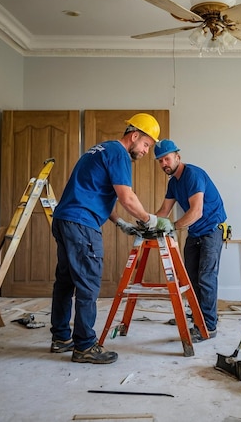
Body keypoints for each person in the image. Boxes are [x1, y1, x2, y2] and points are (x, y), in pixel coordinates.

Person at [50, 113, 173, 364]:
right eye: (146, 145)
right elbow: (126, 197)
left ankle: (61, 338)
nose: (146, 151)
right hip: (82, 225)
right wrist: (148, 219)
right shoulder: (118, 153)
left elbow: (94, 193)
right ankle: (84, 345)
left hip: (65, 220)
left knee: (65, 281)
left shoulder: (98, 150)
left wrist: (119, 222)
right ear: (135, 135)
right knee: (87, 284)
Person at [153, 139, 227, 342]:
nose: (164, 164)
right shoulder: (173, 183)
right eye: (160, 161)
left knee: (206, 278)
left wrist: (172, 226)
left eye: (166, 159)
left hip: (212, 230)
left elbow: (196, 211)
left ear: (177, 156)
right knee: (191, 280)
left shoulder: (192, 175)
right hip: (194, 232)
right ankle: (198, 319)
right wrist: (147, 222)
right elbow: (163, 211)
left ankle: (209, 327)